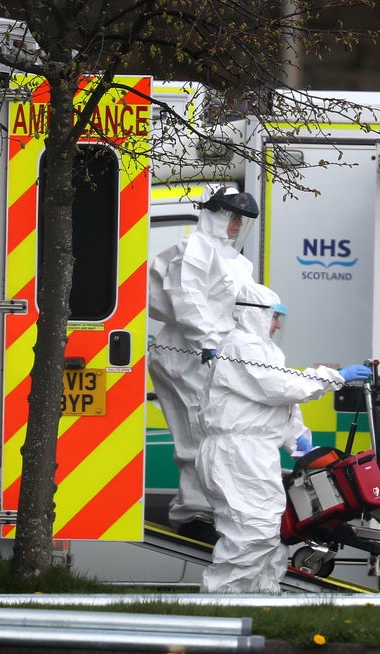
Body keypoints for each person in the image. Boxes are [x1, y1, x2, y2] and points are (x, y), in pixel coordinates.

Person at [196, 282, 372, 593]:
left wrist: (299, 442)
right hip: (237, 452)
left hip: (253, 452)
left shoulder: (266, 350)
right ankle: (221, 599)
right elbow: (277, 387)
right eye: (274, 317)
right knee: (251, 531)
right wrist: (333, 377)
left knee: (269, 531)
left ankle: (262, 597)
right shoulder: (240, 346)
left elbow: (282, 404)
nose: (278, 324)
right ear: (253, 315)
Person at [147, 187, 258, 540]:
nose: (237, 224)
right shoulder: (194, 249)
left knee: (215, 432)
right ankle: (192, 514)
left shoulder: (239, 262)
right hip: (183, 356)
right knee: (198, 431)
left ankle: (209, 508)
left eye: (242, 219)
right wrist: (211, 344)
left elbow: (248, 308)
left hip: (214, 359)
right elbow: (188, 301)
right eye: (232, 216)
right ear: (215, 213)